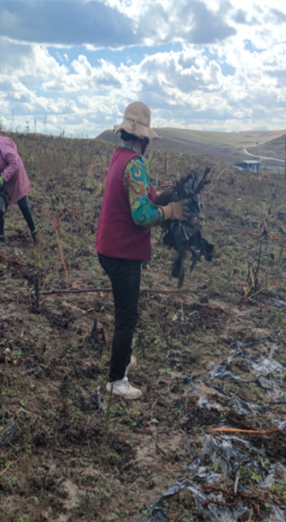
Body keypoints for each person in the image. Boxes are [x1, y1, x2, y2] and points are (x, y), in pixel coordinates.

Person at [94, 102, 192, 400]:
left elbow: (139, 195)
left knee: (125, 311)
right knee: (127, 317)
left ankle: (122, 360)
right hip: (121, 252)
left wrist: (163, 195)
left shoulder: (120, 156)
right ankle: (116, 379)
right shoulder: (135, 164)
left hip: (109, 247)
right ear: (145, 138)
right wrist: (170, 211)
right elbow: (141, 215)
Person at [0, 127, 37, 243]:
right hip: (0, 177)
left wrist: (3, 178)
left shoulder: (4, 146)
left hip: (15, 175)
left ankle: (35, 233)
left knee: (22, 204)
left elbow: (14, 163)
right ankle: (0, 236)